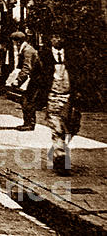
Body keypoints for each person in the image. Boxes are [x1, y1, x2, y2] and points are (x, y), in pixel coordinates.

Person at [42, 35, 81, 175]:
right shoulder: (44, 55)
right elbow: (38, 76)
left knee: (72, 128)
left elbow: (81, 74)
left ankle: (58, 149)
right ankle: (61, 159)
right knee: (57, 128)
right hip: (52, 96)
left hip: (69, 98)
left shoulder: (72, 55)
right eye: (54, 37)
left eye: (60, 37)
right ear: (50, 39)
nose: (58, 40)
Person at [7, 31, 43, 131]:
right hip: (32, 78)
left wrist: (18, 80)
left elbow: (27, 67)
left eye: (14, 42)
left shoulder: (27, 50)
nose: (14, 44)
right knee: (25, 100)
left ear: (18, 42)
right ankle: (27, 122)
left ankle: (29, 124)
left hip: (34, 79)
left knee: (28, 101)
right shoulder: (25, 49)